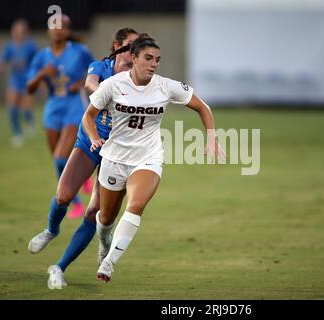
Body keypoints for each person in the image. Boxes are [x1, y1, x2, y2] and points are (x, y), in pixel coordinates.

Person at [82, 33, 226, 283]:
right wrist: (94, 137)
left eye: (157, 60)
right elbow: (88, 116)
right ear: (134, 58)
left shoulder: (165, 86)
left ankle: (109, 263)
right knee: (105, 219)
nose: (153, 64)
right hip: (115, 157)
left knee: (136, 205)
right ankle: (104, 244)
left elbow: (203, 107)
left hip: (147, 157)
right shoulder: (113, 85)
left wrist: (211, 136)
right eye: (148, 58)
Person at [27, 28, 138, 289]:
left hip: (118, 151)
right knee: (64, 195)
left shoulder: (139, 79)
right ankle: (51, 230)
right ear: (117, 45)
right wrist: (105, 92)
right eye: (130, 45)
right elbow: (90, 84)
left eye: (138, 46)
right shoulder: (100, 66)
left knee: (96, 214)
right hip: (90, 140)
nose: (134, 51)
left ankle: (59, 267)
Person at [26, 15, 94, 218]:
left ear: (68, 31)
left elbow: (97, 72)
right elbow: (29, 88)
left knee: (59, 158)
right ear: (48, 30)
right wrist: (42, 74)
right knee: (57, 158)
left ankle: (76, 204)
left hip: (75, 106)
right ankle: (79, 183)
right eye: (53, 27)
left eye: (62, 27)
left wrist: (82, 82)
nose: (57, 31)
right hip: (53, 107)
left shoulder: (79, 51)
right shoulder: (42, 57)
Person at [0, 19, 38, 147]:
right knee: (12, 109)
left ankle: (30, 122)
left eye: (21, 31)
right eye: (16, 30)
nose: (18, 33)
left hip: (28, 80)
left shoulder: (30, 46)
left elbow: (38, 62)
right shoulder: (10, 46)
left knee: (25, 108)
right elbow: (2, 61)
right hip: (15, 81)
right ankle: (18, 134)